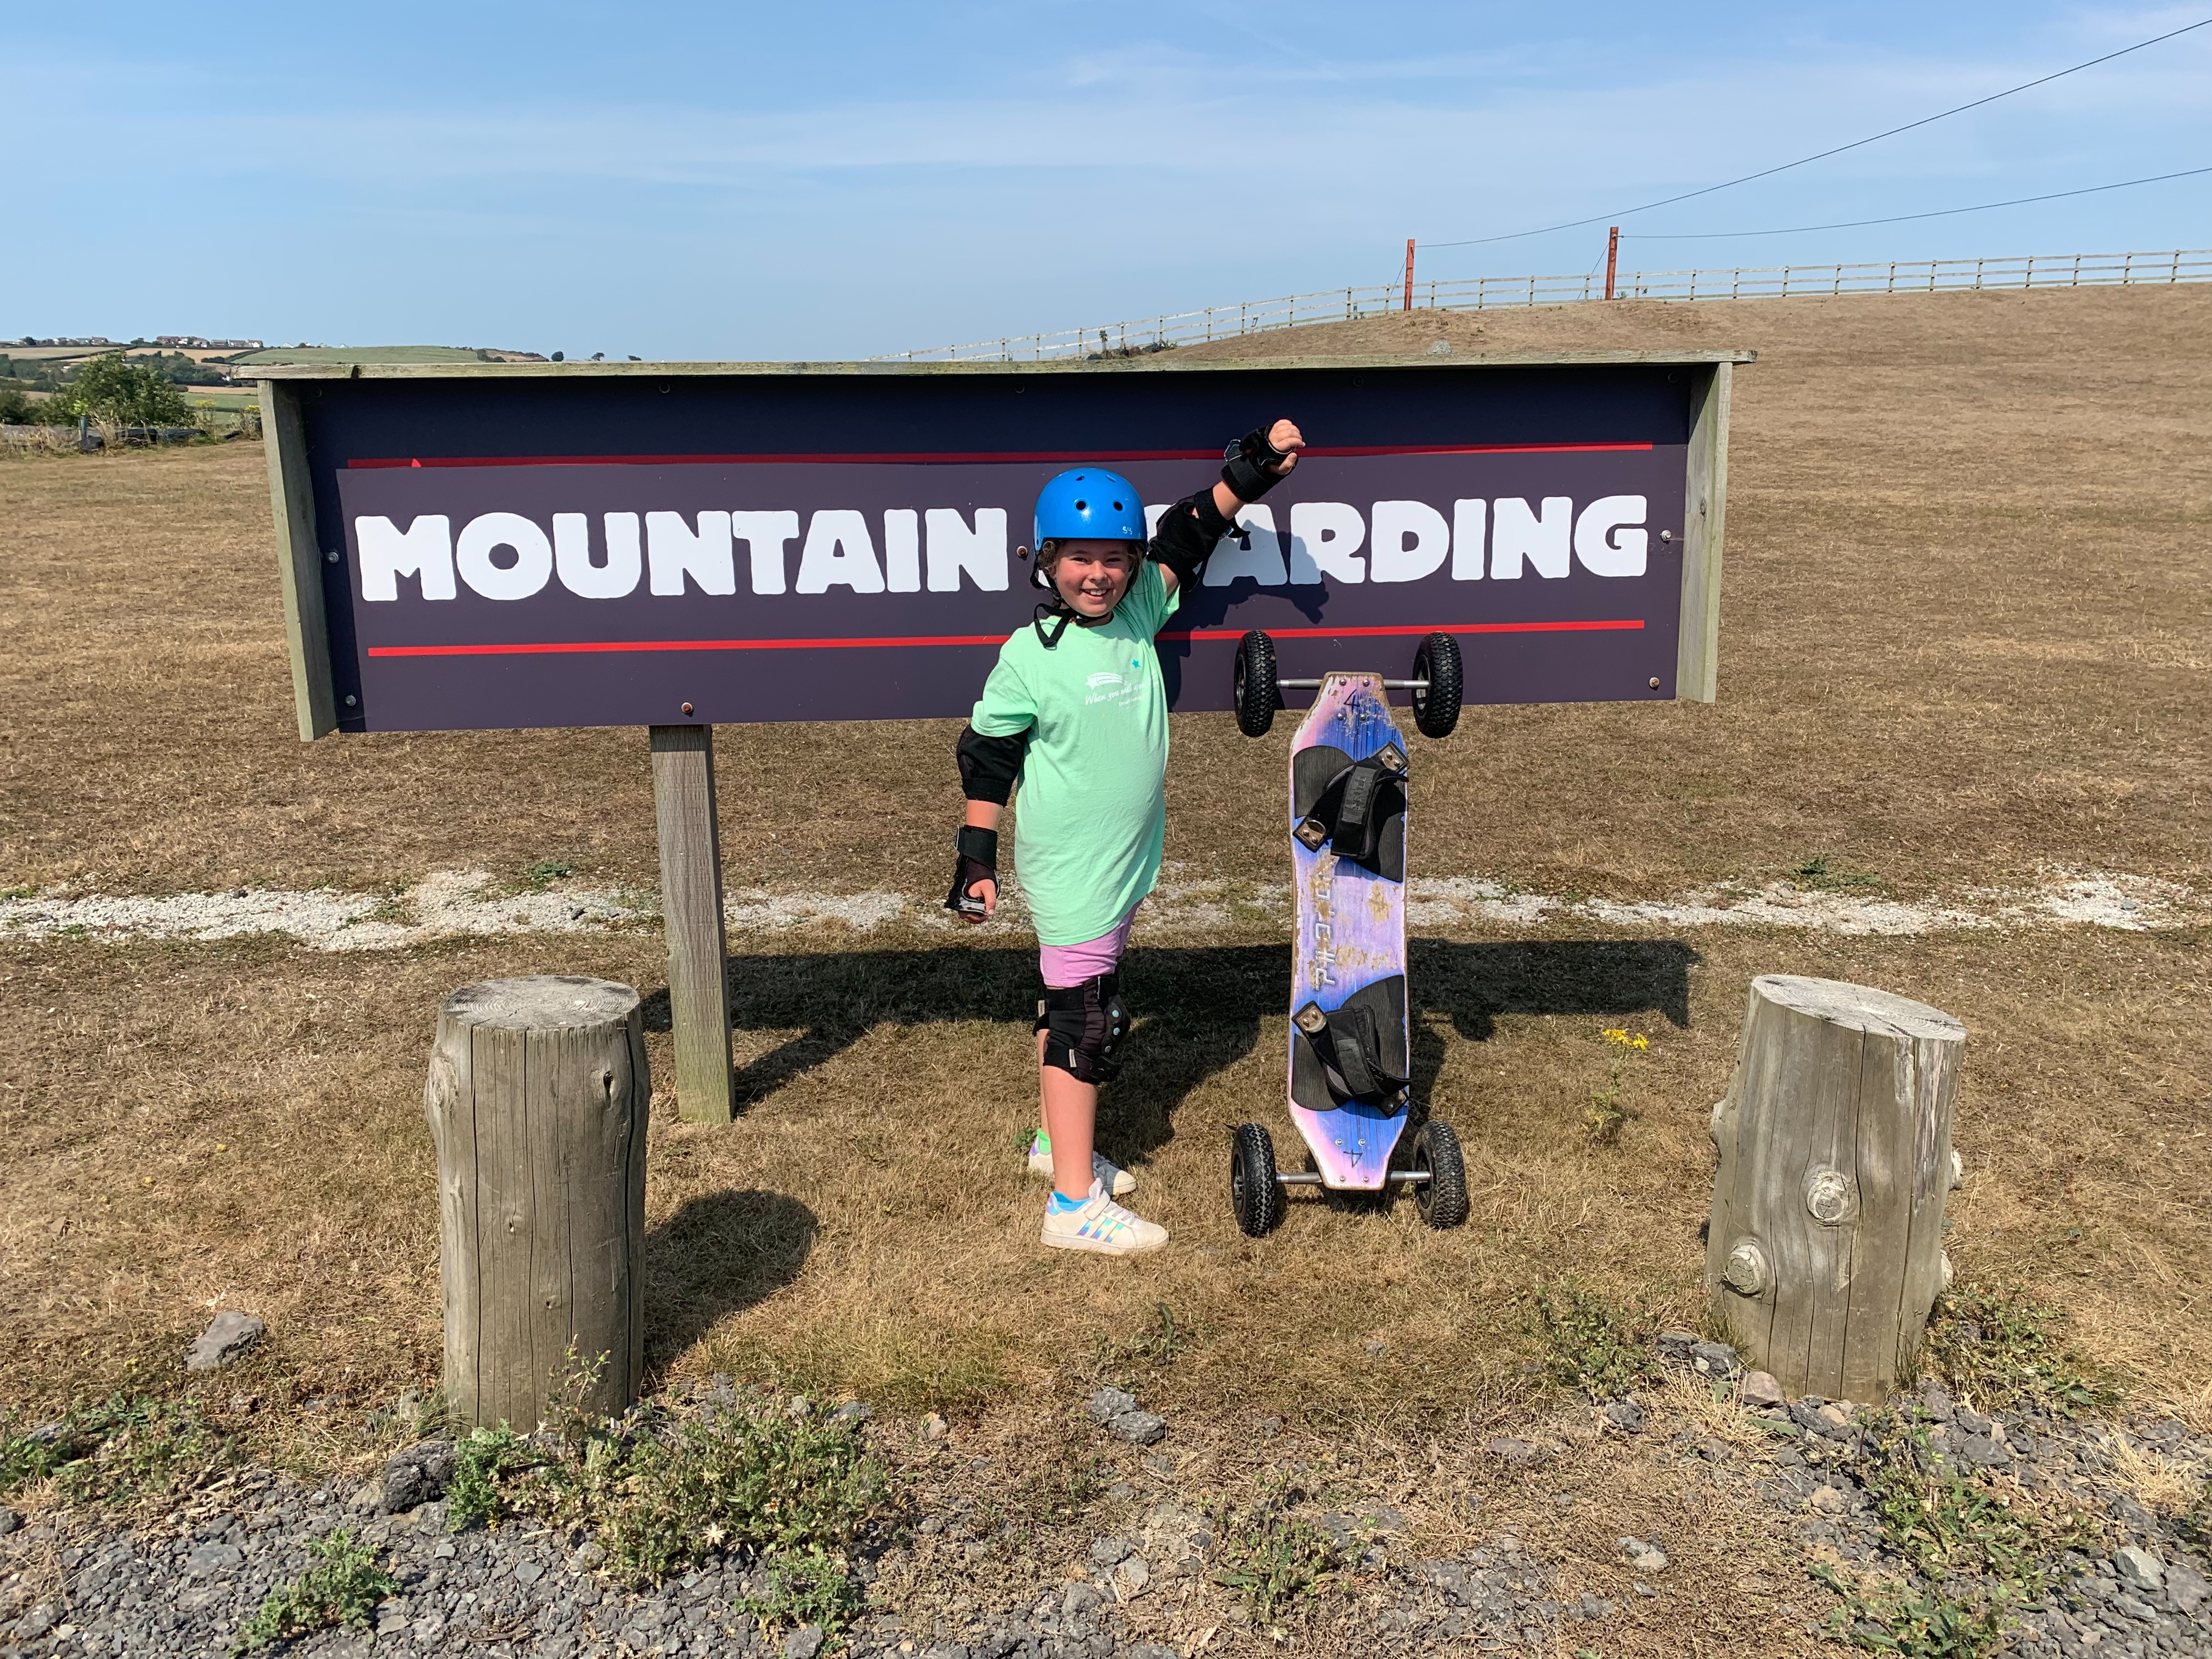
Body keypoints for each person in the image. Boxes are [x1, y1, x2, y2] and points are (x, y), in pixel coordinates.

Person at [945, 417, 1306, 1255]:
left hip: (1123, 863)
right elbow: (989, 756)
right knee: (1085, 1020)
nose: (1098, 574)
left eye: (1113, 558)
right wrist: (974, 858)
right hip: (1073, 867)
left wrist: (1256, 467)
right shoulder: (1030, 655)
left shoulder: (1141, 611)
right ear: (1046, 562)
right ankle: (1074, 1206)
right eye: (1079, 558)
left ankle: (1051, 1147)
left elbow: (1193, 526)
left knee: (1067, 1002)